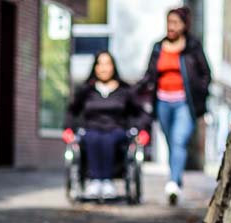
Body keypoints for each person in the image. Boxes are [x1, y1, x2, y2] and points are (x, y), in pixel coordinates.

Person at [137, 6, 212, 205]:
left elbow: (206, 74)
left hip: (184, 103)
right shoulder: (157, 47)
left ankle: (172, 183)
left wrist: (199, 94)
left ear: (184, 25)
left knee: (179, 140)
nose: (171, 27)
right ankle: (176, 178)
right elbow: (149, 74)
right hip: (162, 101)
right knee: (171, 143)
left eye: (176, 23)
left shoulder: (192, 46)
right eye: (169, 22)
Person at [64, 51, 150, 200]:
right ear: (95, 67)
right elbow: (72, 111)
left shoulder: (125, 91)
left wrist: (142, 131)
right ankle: (95, 181)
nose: (104, 68)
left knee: (109, 138)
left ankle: (107, 181)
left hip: (117, 129)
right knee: (93, 137)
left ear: (113, 67)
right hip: (91, 129)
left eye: (107, 64)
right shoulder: (86, 90)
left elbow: (139, 113)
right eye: (100, 64)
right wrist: (68, 129)